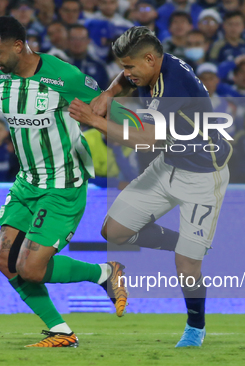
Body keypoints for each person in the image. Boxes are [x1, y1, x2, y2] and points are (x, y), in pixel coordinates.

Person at [0, 16, 127, 348]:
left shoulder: (63, 76)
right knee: (5, 261)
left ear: (19, 46)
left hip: (63, 184)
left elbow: (104, 102)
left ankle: (104, 272)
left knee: (29, 268)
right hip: (27, 182)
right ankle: (61, 331)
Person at [69, 26, 232, 348]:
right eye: (123, 66)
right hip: (169, 165)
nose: (126, 73)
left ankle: (195, 329)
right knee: (114, 231)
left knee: (187, 268)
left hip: (202, 176)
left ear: (149, 59)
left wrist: (95, 119)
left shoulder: (172, 86)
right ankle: (188, 245)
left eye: (129, 67)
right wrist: (108, 93)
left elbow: (148, 140)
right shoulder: (152, 65)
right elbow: (125, 79)